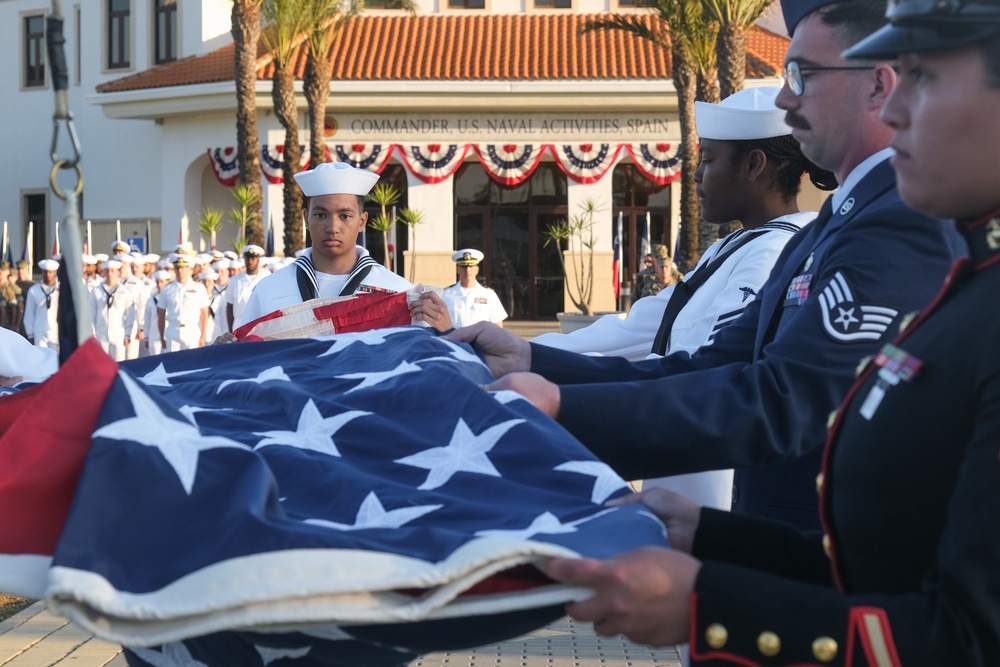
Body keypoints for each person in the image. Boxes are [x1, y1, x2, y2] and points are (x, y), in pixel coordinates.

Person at [541, 1, 1000, 662]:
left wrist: (713, 603)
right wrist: (711, 540)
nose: (897, 108)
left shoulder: (926, 251)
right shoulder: (964, 275)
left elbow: (968, 637)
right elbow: (881, 559)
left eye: (923, 76)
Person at [449, 0, 967, 532]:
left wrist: (561, 404)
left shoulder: (898, 224)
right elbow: (705, 365)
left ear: (879, 86)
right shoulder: (822, 231)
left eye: (801, 75)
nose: (787, 98)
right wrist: (532, 363)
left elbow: (786, 400)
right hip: (768, 548)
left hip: (820, 567)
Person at [534, 86, 834, 517]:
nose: (695, 175)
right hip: (675, 450)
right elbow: (641, 326)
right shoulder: (730, 248)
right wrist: (526, 354)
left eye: (709, 159)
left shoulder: (773, 254)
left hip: (712, 473)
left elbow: (706, 362)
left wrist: (563, 391)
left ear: (754, 165)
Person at [239, 161, 454, 331]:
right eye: (321, 215)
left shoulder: (396, 292)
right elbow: (246, 359)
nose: (332, 227)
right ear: (306, 218)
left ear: (362, 221)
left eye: (345, 216)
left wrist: (447, 333)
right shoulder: (269, 290)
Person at [440, 248, 508, 328]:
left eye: (471, 266)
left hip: (480, 340)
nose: (468, 270)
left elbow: (498, 324)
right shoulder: (445, 294)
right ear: (457, 270)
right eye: (463, 267)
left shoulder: (488, 294)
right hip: (454, 339)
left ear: (477, 270)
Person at [89, 259, 137, 362]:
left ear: (118, 272)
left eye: (113, 271)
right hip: (101, 334)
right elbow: (91, 314)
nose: (110, 274)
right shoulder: (96, 291)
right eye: (107, 271)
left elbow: (130, 315)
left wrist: (128, 334)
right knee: (100, 364)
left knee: (118, 364)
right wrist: (92, 334)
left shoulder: (125, 292)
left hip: (118, 334)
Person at [158, 255, 209, 351]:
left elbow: (204, 313)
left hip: (191, 330)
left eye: (183, 267)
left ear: (189, 268)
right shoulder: (167, 289)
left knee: (192, 363)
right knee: (173, 363)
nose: (180, 270)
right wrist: (161, 336)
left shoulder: (199, 288)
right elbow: (161, 314)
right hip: (173, 329)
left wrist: (203, 336)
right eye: (177, 267)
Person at [224, 245, 270, 332]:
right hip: (239, 323)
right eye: (247, 258)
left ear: (258, 260)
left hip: (260, 323)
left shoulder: (266, 277)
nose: (250, 261)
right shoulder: (235, 280)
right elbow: (230, 306)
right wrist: (230, 329)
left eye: (253, 258)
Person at [24, 259, 60, 351]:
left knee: (56, 360)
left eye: (50, 272)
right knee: (40, 357)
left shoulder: (61, 289)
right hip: (39, 331)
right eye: (45, 272)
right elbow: (29, 313)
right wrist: (30, 334)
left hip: (56, 331)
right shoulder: (34, 290)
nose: (48, 275)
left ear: (55, 272)